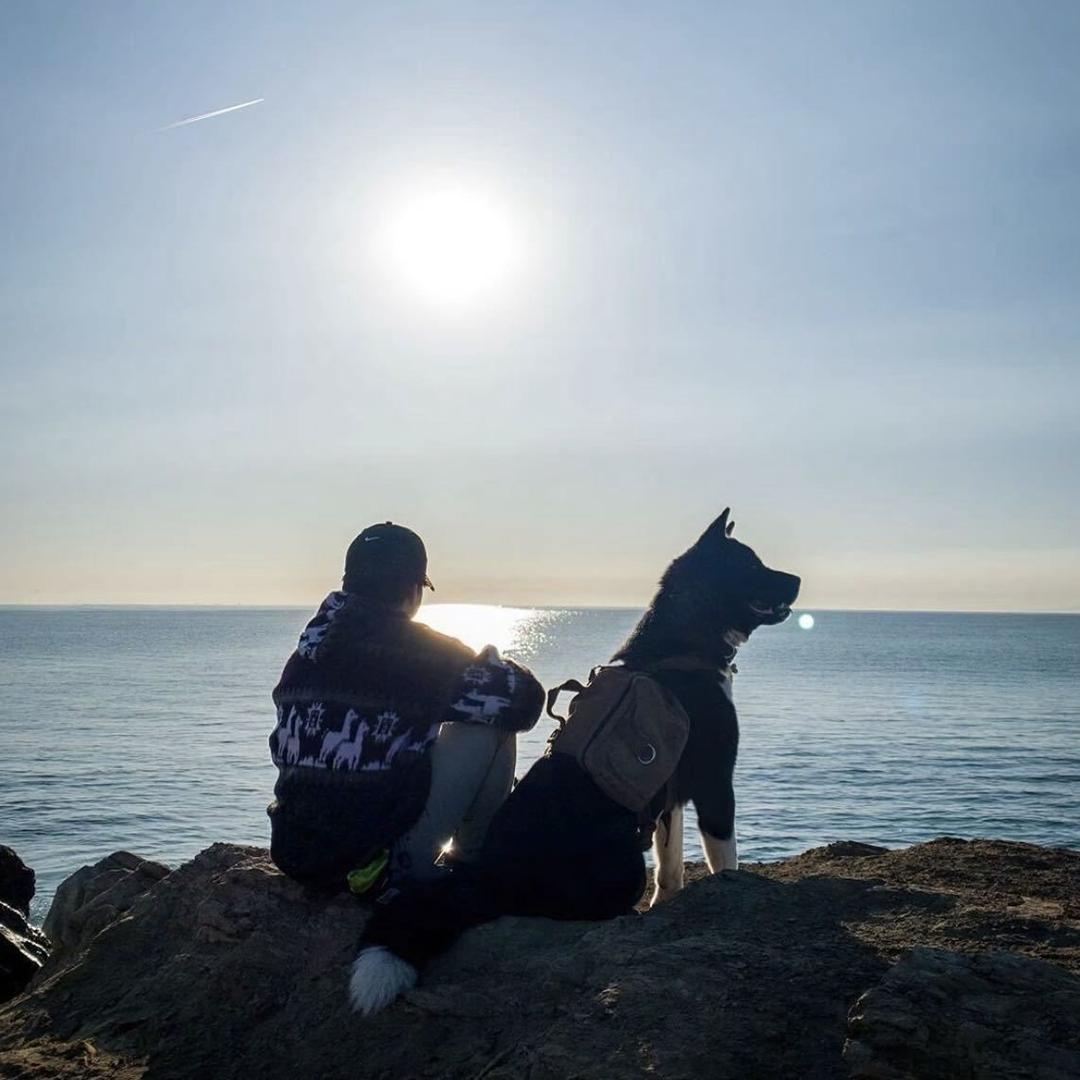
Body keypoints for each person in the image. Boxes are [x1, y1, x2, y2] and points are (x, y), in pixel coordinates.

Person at [267, 522, 543, 893]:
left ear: (349, 583)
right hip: (375, 868)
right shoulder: (423, 654)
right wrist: (490, 663)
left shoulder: (306, 652)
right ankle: (473, 864)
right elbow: (526, 702)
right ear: (414, 591)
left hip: (296, 855)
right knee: (491, 724)